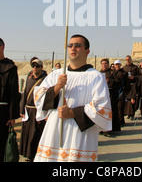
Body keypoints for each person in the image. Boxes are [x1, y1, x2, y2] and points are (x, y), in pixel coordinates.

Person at [33, 34, 111, 162]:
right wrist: (57, 87)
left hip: (80, 135)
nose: (73, 48)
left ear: (87, 51)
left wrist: (72, 113)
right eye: (70, 45)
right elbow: (38, 98)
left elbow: (102, 107)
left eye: (78, 45)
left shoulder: (96, 77)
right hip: (54, 132)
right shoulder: (56, 75)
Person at [19, 57, 47, 162]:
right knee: (27, 133)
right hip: (28, 110)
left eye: (37, 66)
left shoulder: (45, 80)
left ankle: (34, 156)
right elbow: (25, 95)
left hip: (38, 111)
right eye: (33, 66)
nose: (35, 68)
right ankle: (27, 154)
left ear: (41, 67)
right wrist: (22, 110)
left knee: (35, 134)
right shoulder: (30, 79)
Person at [100, 58, 120, 134]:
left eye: (105, 63)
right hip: (102, 96)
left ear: (108, 64)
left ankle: (109, 129)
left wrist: (109, 81)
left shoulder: (113, 72)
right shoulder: (98, 73)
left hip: (111, 94)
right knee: (102, 112)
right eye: (102, 64)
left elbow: (118, 81)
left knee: (111, 112)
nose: (104, 65)